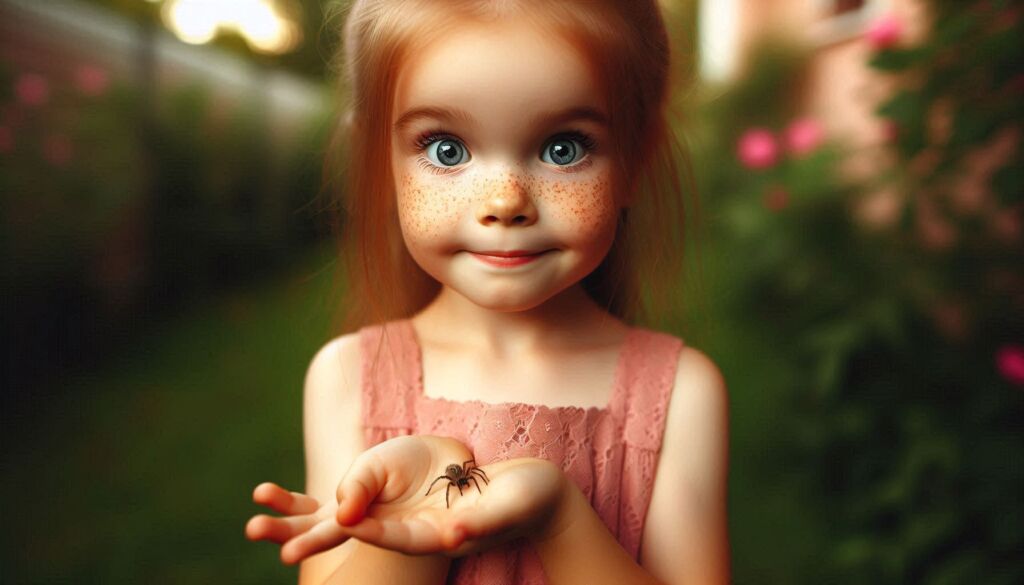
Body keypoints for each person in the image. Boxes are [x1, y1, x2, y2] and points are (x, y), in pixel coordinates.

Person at [246, 1, 730, 583]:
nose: (505, 202)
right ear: (381, 162)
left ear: (635, 159)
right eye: (446, 149)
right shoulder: (350, 378)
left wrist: (558, 518)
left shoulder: (679, 395)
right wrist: (419, 514)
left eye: (563, 149)